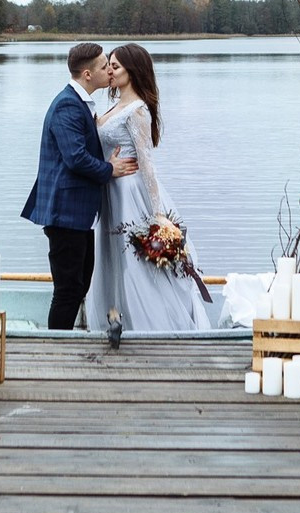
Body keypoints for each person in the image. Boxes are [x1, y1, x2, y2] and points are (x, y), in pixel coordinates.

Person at [86, 43, 213, 332]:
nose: (109, 71)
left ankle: (150, 324)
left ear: (132, 71)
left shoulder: (137, 110)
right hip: (110, 191)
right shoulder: (114, 107)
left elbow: (147, 163)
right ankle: (115, 318)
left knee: (133, 262)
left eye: (115, 66)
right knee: (110, 259)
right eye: (109, 66)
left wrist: (157, 213)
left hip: (129, 193)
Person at [20, 42, 138, 330]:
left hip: (77, 215)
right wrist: (110, 169)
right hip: (65, 214)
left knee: (80, 283)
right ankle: (55, 348)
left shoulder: (79, 103)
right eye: (104, 66)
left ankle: (61, 342)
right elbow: (75, 158)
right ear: (87, 74)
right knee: (68, 289)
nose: (109, 70)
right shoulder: (67, 105)